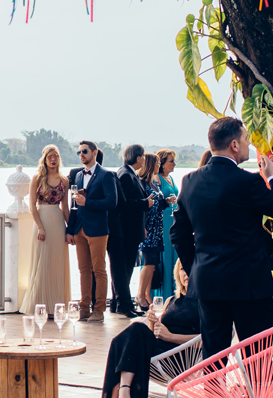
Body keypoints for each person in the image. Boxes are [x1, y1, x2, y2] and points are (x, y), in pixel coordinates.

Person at [171, 117, 273, 358]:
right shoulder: (248, 181)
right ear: (234, 145)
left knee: (212, 358)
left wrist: (196, 268)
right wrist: (272, 177)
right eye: (246, 140)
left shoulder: (189, 181)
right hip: (249, 285)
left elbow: (178, 233)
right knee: (257, 359)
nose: (249, 145)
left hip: (208, 284)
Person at [102, 260, 199, 398]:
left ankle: (123, 389)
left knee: (136, 329)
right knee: (118, 341)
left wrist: (171, 336)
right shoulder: (171, 300)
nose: (186, 273)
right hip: (158, 352)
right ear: (178, 273)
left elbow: (207, 339)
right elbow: (155, 333)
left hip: (179, 359)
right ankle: (121, 390)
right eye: (182, 269)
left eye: (190, 268)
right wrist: (153, 322)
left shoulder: (204, 303)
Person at [67, 140, 118, 323]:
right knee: (83, 270)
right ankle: (83, 309)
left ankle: (99, 310)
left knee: (99, 270)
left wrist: (87, 202)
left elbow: (112, 203)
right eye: (79, 152)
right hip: (79, 228)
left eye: (85, 151)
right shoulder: (79, 175)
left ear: (94, 153)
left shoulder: (106, 175)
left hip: (97, 229)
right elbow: (74, 205)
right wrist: (70, 230)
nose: (81, 154)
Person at [19, 144, 71, 314]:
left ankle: (56, 305)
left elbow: (65, 208)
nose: (53, 159)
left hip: (57, 222)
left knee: (57, 263)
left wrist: (70, 229)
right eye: (50, 156)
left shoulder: (64, 180)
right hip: (42, 222)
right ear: (44, 158)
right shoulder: (37, 178)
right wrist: (40, 227)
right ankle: (40, 305)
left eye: (56, 156)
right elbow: (32, 206)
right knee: (42, 263)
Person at [114, 145, 152, 318]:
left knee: (126, 268)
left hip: (133, 230)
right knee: (124, 268)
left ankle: (118, 303)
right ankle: (123, 304)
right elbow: (125, 203)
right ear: (138, 158)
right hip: (126, 230)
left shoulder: (130, 174)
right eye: (143, 157)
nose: (144, 160)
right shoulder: (125, 175)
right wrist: (145, 203)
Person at [135, 154, 164, 310]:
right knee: (148, 261)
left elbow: (157, 204)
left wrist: (166, 201)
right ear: (151, 164)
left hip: (157, 227)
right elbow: (142, 206)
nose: (159, 165)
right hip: (148, 228)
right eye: (158, 162)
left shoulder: (154, 182)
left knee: (153, 263)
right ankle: (139, 295)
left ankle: (147, 296)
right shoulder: (141, 182)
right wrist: (143, 226)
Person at [154, 150, 180, 299]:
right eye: (171, 161)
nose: (174, 164)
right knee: (164, 257)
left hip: (173, 222)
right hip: (162, 223)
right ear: (162, 164)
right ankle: (161, 295)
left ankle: (173, 294)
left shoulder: (170, 178)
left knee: (174, 256)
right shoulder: (156, 178)